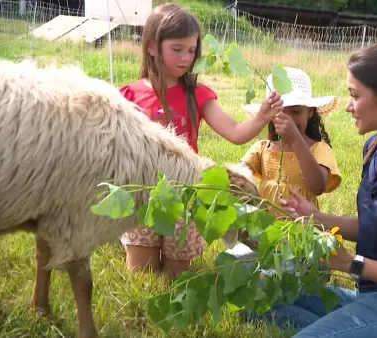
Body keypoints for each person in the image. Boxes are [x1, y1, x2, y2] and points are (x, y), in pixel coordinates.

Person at [244, 44, 377, 337]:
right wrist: (315, 217)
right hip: (371, 297)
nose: (348, 105)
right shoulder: (374, 149)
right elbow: (373, 227)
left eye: (355, 95)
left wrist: (351, 263)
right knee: (256, 297)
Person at [118, 3, 283, 280]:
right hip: (142, 193)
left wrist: (262, 116)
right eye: (177, 49)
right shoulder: (128, 96)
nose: (186, 58)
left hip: (185, 193)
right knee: (141, 275)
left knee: (178, 276)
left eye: (192, 50)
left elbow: (235, 132)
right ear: (152, 48)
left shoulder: (198, 94)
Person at [226, 67, 342, 277]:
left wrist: (296, 140)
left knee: (288, 272)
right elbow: (238, 176)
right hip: (264, 239)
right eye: (282, 112)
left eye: (296, 111)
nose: (288, 119)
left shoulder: (319, 149)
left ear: (311, 112)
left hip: (302, 238)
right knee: (229, 260)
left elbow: (318, 186)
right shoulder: (263, 148)